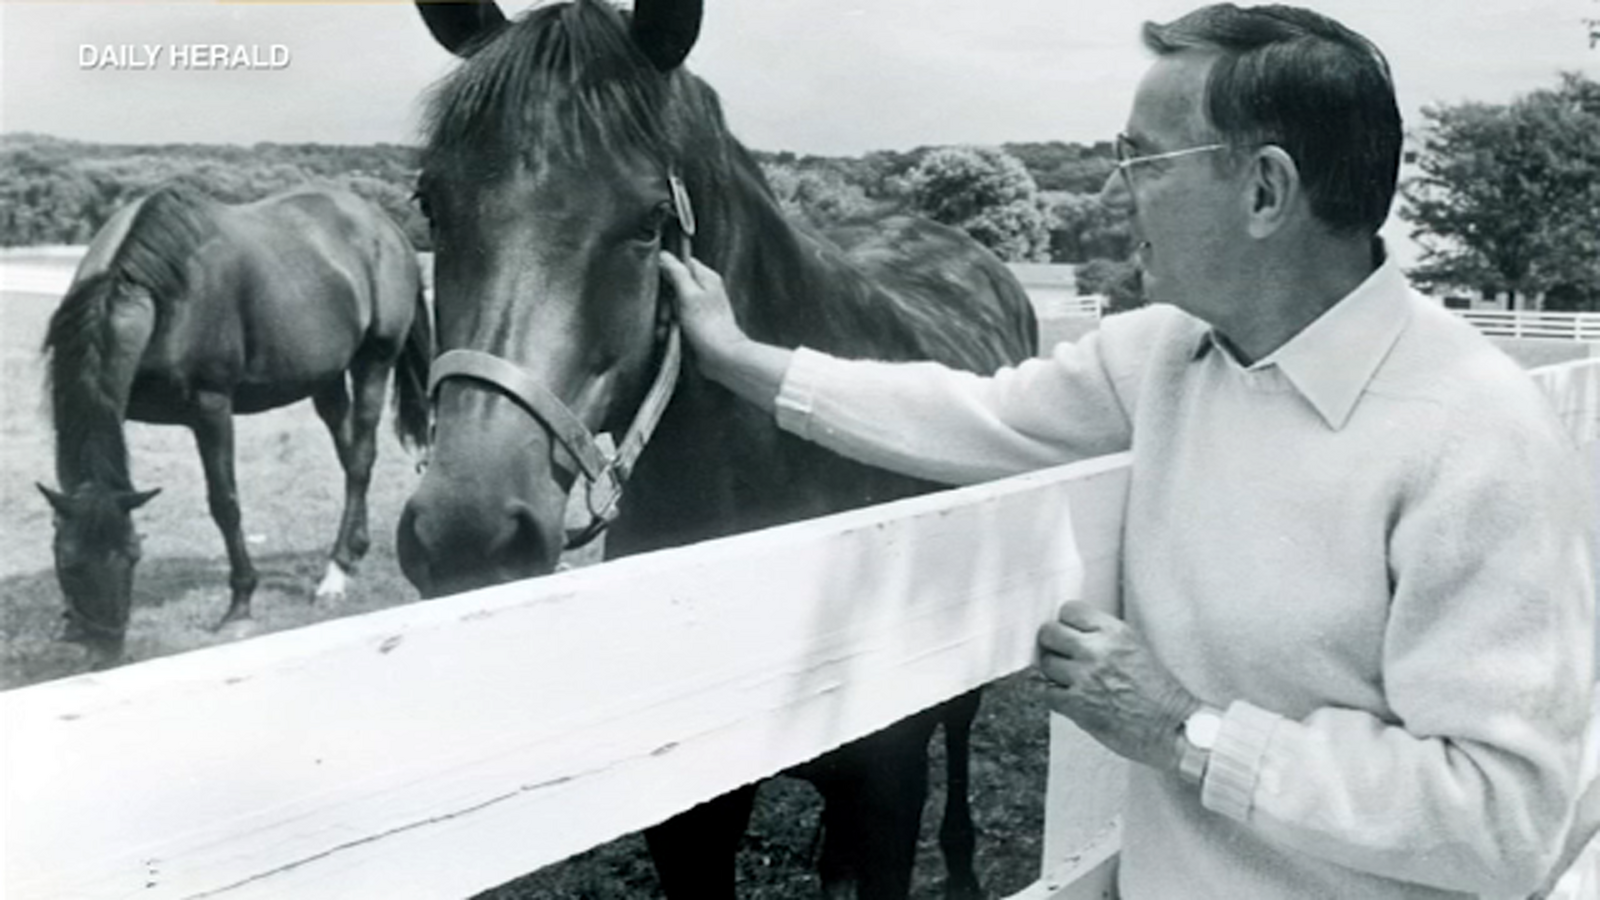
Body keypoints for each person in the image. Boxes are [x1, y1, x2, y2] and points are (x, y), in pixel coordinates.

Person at [657, 3, 1597, 897]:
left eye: (1143, 160)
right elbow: (972, 416)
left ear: (1265, 191)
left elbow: (1508, 825)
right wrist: (744, 362)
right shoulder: (1167, 354)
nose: (1116, 190)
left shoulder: (1476, 439)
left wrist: (1185, 731)